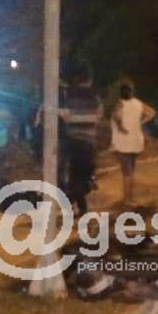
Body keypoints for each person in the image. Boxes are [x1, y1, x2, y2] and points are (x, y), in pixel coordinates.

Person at [59, 69, 103, 215]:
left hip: (73, 142)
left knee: (74, 176)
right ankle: (70, 199)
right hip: (89, 142)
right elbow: (98, 117)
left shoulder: (69, 96)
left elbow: (66, 117)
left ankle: (81, 208)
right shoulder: (96, 98)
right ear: (89, 81)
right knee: (85, 179)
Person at [111, 83, 156, 206]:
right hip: (136, 141)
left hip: (123, 142)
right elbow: (152, 112)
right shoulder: (138, 103)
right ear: (132, 92)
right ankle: (130, 197)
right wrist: (140, 121)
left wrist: (120, 127)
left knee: (127, 173)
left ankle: (127, 199)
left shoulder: (119, 103)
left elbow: (116, 116)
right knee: (131, 171)